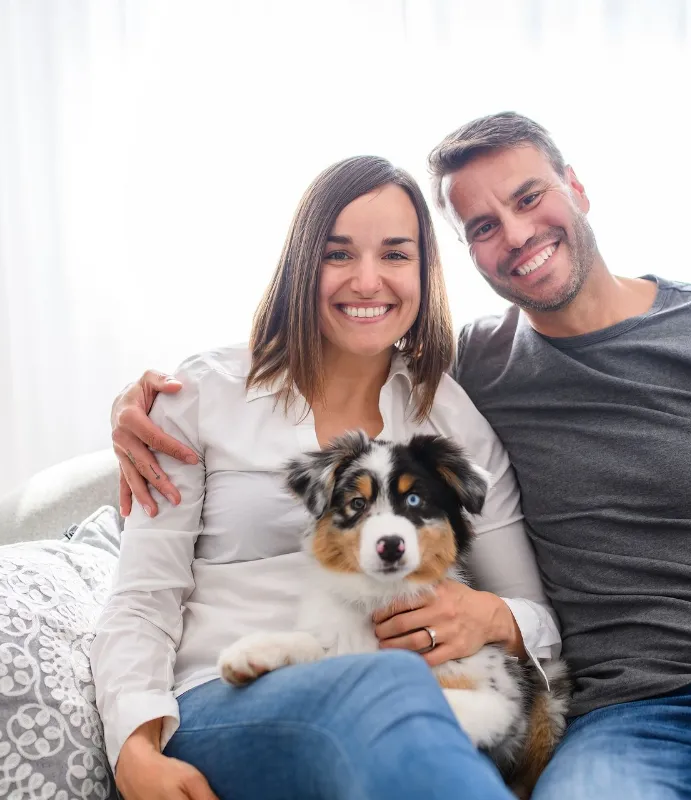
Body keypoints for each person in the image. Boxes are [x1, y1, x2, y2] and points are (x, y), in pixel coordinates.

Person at [113, 113, 691, 799]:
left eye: (530, 197)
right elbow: (146, 588)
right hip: (635, 718)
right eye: (482, 225)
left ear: (575, 184)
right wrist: (130, 409)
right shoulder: (456, 382)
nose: (516, 234)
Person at [90, 154, 561, 800]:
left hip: (415, 715)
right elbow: (142, 596)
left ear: (425, 272)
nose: (367, 281)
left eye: (396, 255)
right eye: (339, 254)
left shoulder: (450, 417)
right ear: (301, 263)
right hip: (225, 699)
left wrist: (491, 618)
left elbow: (534, 616)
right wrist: (134, 748)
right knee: (393, 688)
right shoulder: (197, 394)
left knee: (412, 704)